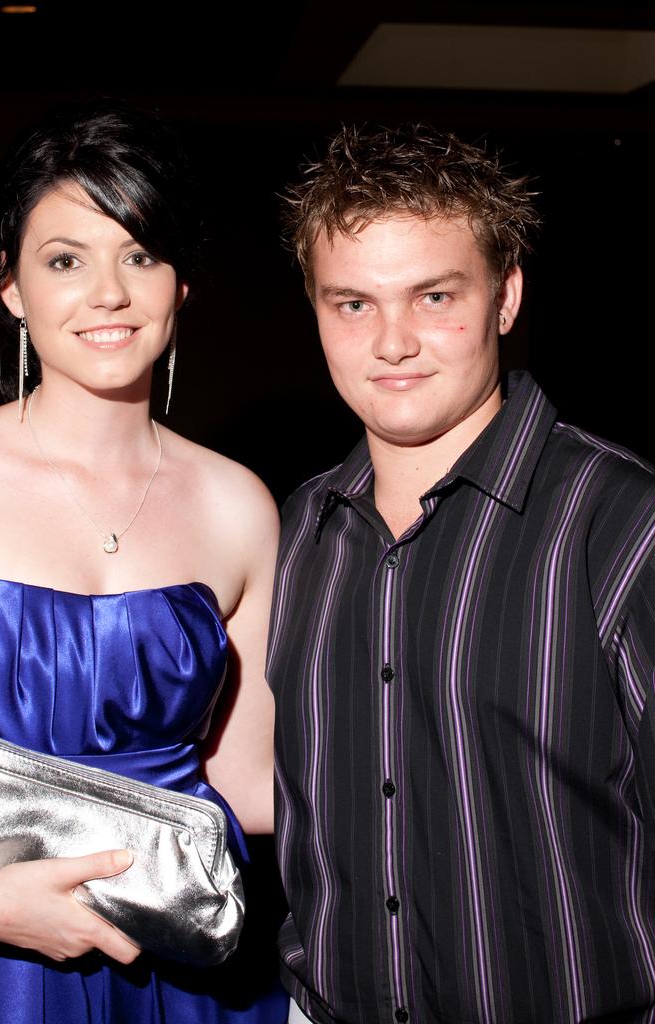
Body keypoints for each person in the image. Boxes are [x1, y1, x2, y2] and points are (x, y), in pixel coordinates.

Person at [0, 102, 287, 1023]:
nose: (108, 293)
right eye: (66, 260)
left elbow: (251, 788)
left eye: (140, 255)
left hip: (181, 970)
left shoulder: (239, 504)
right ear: (13, 289)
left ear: (181, 286)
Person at [267, 123, 655, 1024]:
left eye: (434, 296)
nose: (392, 342)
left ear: (505, 296)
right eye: (352, 304)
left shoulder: (622, 522)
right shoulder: (293, 529)